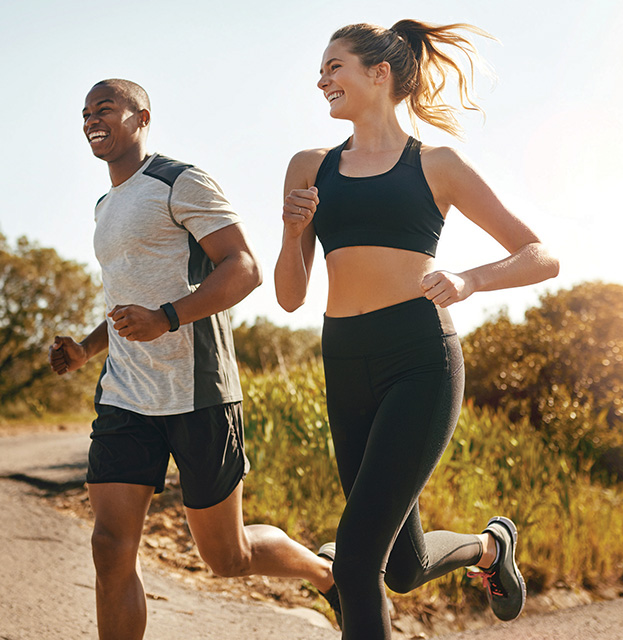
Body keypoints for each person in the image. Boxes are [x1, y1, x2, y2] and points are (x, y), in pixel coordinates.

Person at [274, 19, 560, 640]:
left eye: (334, 66)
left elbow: (540, 256)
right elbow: (291, 297)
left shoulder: (437, 165)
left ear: (379, 74)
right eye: (322, 69)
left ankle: (481, 550)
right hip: (344, 361)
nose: (321, 79)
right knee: (401, 567)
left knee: (353, 562)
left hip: (419, 359)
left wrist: (470, 280)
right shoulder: (309, 166)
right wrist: (294, 232)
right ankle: (491, 547)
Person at [49, 79, 335, 640]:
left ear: (141, 116)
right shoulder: (106, 205)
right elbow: (123, 301)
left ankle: (328, 575)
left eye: (104, 108)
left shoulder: (180, 181)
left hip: (198, 392)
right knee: (109, 548)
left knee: (226, 557)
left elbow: (243, 268)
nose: (91, 120)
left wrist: (168, 317)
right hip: (126, 394)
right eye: (84, 113)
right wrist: (86, 349)